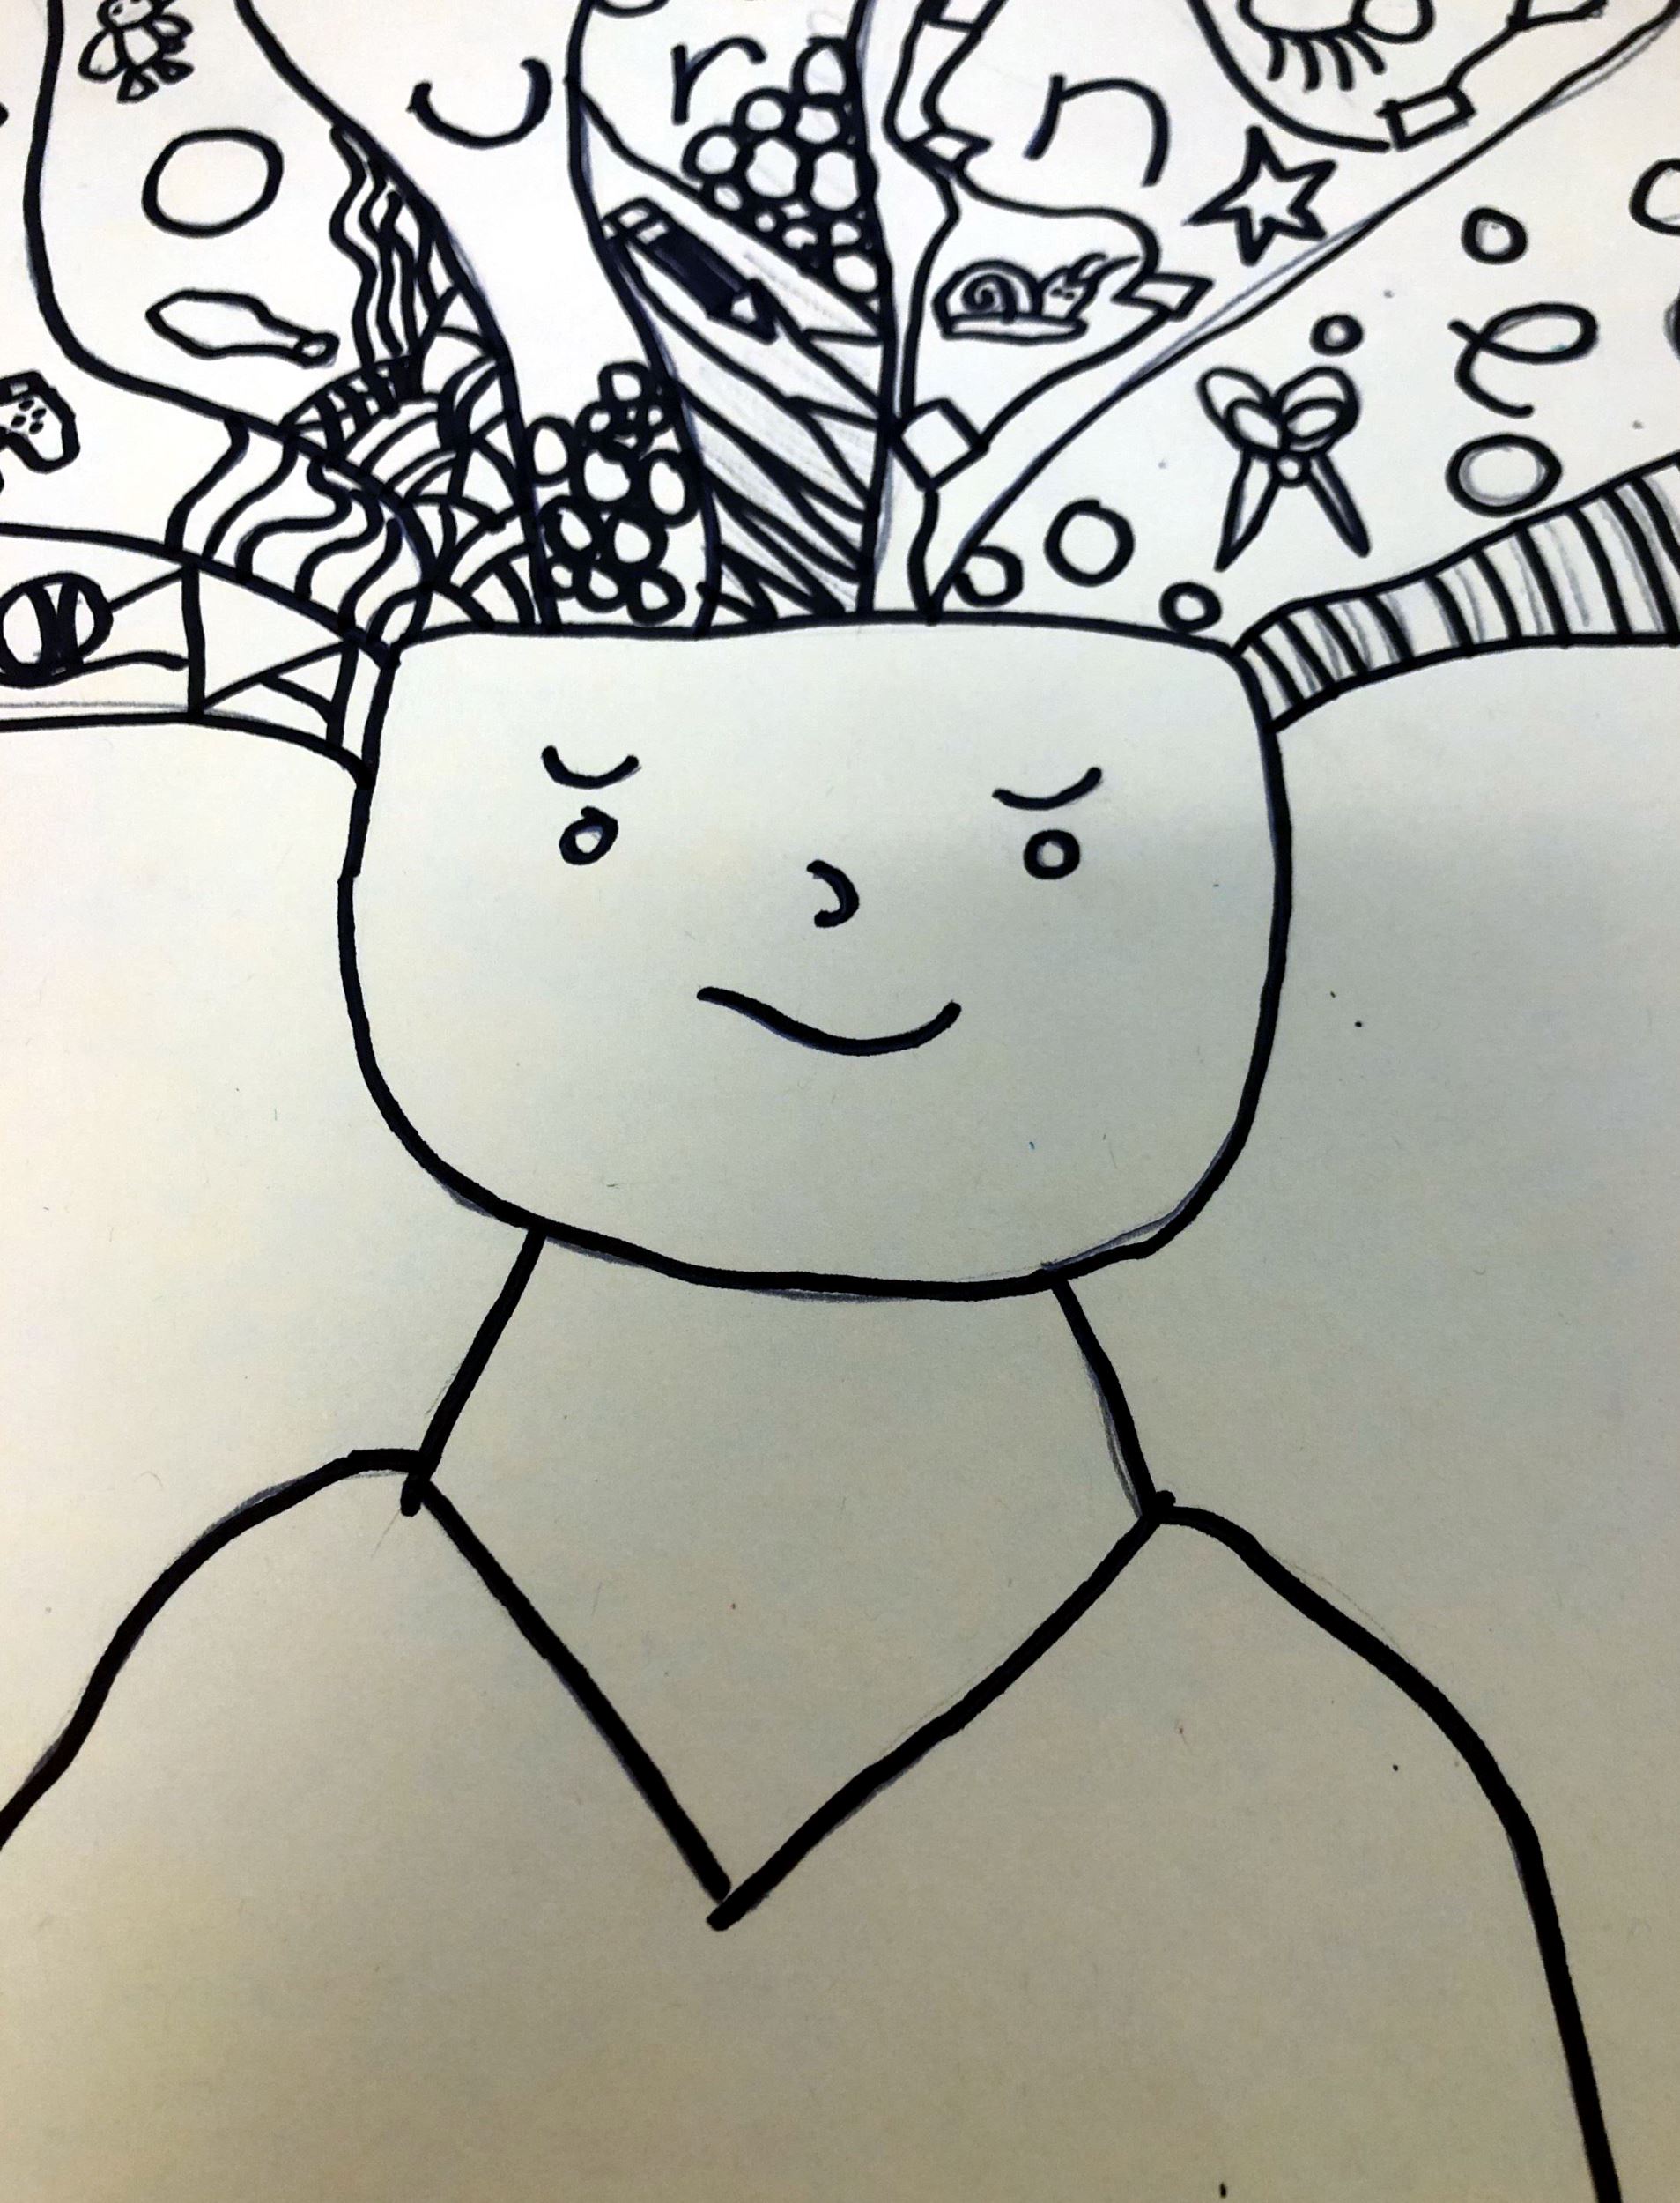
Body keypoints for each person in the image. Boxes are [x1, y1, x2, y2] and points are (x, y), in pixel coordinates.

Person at [0, 612, 1624, 2201]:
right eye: (590, 825)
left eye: (1052, 851)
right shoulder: (285, 1646)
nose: (830, 893)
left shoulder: (1324, 1771)